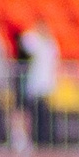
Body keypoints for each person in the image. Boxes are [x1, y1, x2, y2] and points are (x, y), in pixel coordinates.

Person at [18, 18, 60, 148]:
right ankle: (35, 139)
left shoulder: (50, 43)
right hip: (35, 83)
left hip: (46, 83)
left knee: (45, 113)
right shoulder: (35, 40)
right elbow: (25, 42)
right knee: (34, 113)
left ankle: (45, 139)